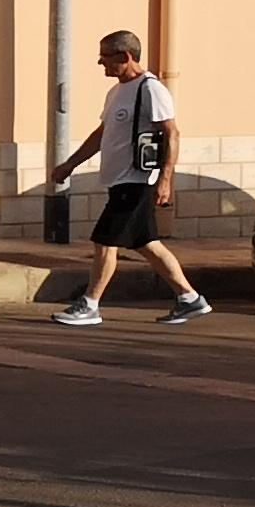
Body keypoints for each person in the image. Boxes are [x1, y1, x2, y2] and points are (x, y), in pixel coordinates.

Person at [45, 29, 213, 329]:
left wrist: (166, 178)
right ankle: (190, 299)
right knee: (147, 243)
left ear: (125, 56)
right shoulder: (116, 92)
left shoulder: (151, 89)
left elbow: (171, 132)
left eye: (106, 56)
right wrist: (70, 164)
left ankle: (90, 304)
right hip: (119, 181)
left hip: (137, 181)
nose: (100, 62)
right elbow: (101, 135)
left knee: (104, 241)